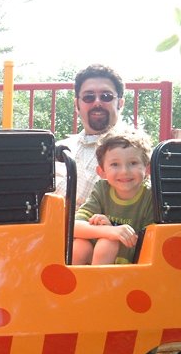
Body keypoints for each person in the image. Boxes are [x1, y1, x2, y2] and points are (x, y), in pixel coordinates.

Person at [72, 129, 154, 265]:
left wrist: (112, 232)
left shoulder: (150, 197)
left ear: (147, 169)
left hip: (131, 265)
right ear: (102, 171)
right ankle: (74, 279)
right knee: (80, 246)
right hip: (95, 258)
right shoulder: (102, 189)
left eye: (133, 163)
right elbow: (74, 227)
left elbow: (153, 241)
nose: (124, 171)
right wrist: (109, 230)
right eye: (115, 164)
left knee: (108, 243)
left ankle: (99, 279)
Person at [55, 64, 128, 209]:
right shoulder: (58, 150)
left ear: (120, 103)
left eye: (106, 96)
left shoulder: (135, 151)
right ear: (77, 104)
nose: (97, 102)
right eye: (89, 97)